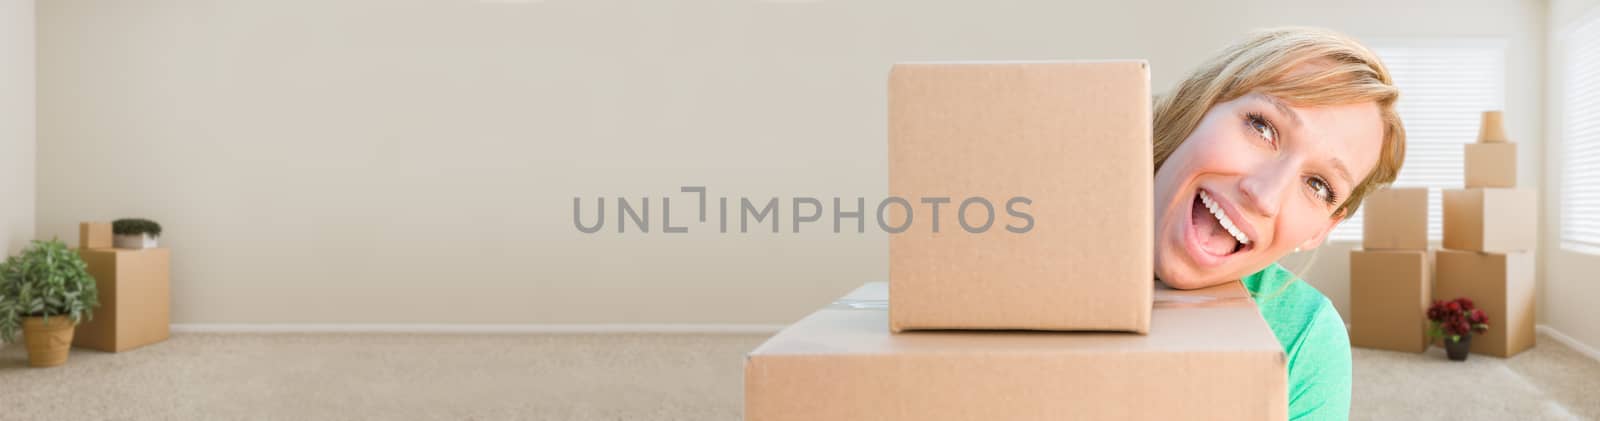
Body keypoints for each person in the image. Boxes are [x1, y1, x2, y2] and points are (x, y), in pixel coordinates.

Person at [1151, 27, 1406, 420]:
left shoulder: (1307, 340)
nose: (1265, 196)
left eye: (1318, 186)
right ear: (1196, 106)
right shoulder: (1033, 223)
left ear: (1322, 229)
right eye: (1262, 127)